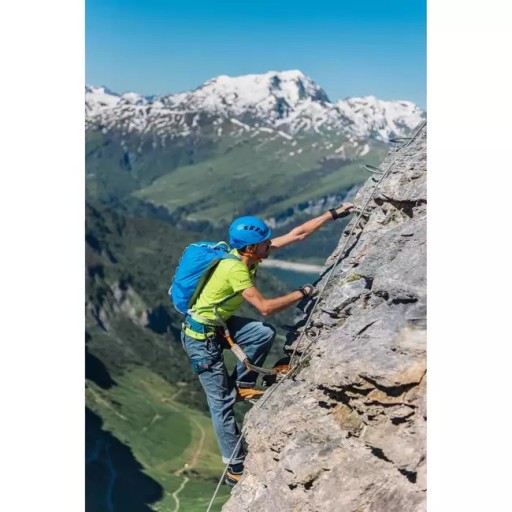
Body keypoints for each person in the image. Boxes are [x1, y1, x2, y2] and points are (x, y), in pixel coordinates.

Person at [180, 202, 355, 485]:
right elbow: (264, 307)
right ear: (251, 248)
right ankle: (235, 468)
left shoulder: (247, 253)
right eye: (264, 243)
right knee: (221, 402)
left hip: (218, 325)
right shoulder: (235, 269)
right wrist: (303, 293)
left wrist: (333, 214)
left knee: (261, 334)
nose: (268, 245)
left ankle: (243, 383)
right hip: (200, 339)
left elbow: (297, 234)